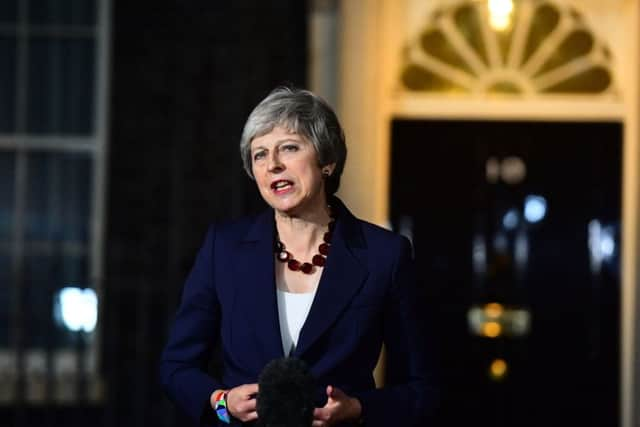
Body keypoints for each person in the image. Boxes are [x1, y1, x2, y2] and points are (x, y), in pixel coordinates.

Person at [160, 87, 438, 426]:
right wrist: (222, 403)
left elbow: (421, 388)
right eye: (259, 154)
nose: (272, 164)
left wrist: (358, 409)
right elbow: (177, 367)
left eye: (288, 148)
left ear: (327, 161)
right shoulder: (225, 247)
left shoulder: (385, 255)